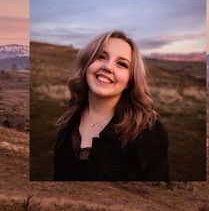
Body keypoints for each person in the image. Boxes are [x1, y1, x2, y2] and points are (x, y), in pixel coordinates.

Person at [53, 30, 169, 181]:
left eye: (121, 64)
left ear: (129, 81)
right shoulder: (68, 123)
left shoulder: (149, 134)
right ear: (87, 64)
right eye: (101, 56)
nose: (108, 67)